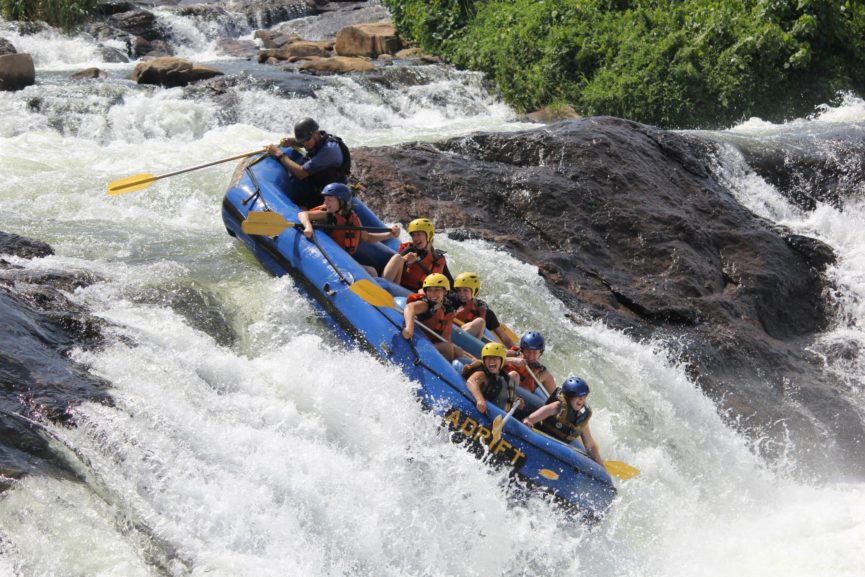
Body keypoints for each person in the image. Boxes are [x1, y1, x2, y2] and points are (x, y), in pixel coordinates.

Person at [297, 183, 399, 274]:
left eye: (330, 200)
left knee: (372, 271)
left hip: (344, 259)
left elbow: (367, 237)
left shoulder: (353, 219)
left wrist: (389, 235)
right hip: (330, 257)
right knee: (372, 272)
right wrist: (308, 227)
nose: (326, 203)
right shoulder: (327, 214)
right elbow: (303, 214)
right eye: (325, 199)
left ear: (341, 202)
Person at [265, 117, 351, 209]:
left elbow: (301, 173)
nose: (304, 144)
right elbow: (308, 143)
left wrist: (279, 154)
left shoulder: (329, 151)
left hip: (331, 194)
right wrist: (293, 142)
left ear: (316, 133)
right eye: (302, 141)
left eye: (306, 140)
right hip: (320, 184)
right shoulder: (320, 139)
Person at [522, 376, 604, 467]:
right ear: (569, 396)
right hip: (541, 442)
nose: (582, 399)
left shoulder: (582, 418)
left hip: (559, 452)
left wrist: (601, 466)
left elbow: (591, 446)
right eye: (579, 396)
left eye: (584, 396)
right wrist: (528, 425)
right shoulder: (556, 407)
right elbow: (528, 420)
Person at [402, 273, 462, 361]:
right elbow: (410, 307)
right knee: (447, 348)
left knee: (458, 351)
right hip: (417, 343)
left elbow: (446, 334)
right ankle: (444, 372)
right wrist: (408, 328)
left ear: (445, 291)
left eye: (437, 290)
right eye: (429, 290)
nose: (432, 294)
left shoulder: (447, 308)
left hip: (430, 343)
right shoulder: (426, 304)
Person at [382, 217, 452, 291]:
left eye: (418, 234)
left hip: (420, 295)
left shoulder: (438, 258)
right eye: (413, 235)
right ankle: (381, 289)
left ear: (429, 235)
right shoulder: (410, 249)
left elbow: (451, 283)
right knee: (397, 258)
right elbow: (392, 265)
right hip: (400, 289)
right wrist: (404, 259)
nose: (415, 238)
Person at [449, 271, 516, 349]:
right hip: (452, 334)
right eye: (459, 290)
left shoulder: (485, 311)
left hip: (470, 344)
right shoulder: (452, 299)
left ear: (474, 291)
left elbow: (503, 336)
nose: (461, 294)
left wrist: (514, 349)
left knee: (480, 322)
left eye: (465, 290)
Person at [463, 342, 523, 415]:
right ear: (484, 360)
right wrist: (480, 400)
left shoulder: (506, 379)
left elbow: (506, 396)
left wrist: (517, 401)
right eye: (488, 358)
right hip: (483, 413)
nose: (491, 361)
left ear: (502, 361)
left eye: (495, 358)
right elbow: (471, 382)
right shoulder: (482, 374)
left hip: (499, 416)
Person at [505, 331, 557, 396]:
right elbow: (491, 361)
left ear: (540, 353)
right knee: (514, 375)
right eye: (527, 351)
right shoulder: (512, 354)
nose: (530, 356)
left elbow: (555, 397)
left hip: (522, 400)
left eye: (535, 352)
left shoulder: (543, 374)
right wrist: (512, 360)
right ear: (522, 350)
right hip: (501, 388)